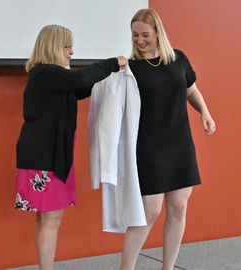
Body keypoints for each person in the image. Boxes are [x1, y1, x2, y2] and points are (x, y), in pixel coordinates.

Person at [14, 24, 127, 270]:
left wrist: (111, 76)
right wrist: (112, 62)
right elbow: (80, 78)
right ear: (53, 47)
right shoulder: (45, 73)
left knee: (50, 217)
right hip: (43, 157)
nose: (71, 52)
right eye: (67, 46)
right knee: (50, 217)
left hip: (52, 156)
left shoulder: (52, 78)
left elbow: (81, 88)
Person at [119, 9, 216, 270]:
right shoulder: (131, 68)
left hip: (180, 143)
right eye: (135, 35)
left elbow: (191, 90)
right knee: (149, 211)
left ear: (158, 32)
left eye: (145, 35)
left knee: (179, 207)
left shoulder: (178, 60)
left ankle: (168, 267)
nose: (139, 40)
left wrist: (204, 112)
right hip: (148, 145)